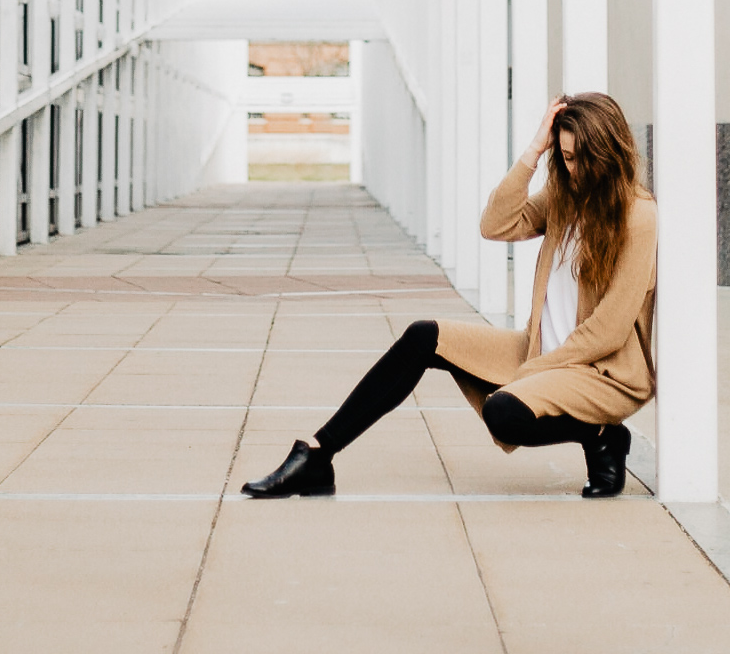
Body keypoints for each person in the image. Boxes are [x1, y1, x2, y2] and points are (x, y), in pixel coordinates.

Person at [242, 93, 657, 501]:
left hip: (600, 372)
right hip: (539, 352)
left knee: (503, 414)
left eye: (584, 158)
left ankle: (603, 433)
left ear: (610, 150)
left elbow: (609, 330)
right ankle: (319, 454)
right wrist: (534, 151)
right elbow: (496, 224)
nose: (576, 169)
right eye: (566, 158)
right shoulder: (565, 195)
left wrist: (532, 372)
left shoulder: (638, 216)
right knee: (424, 336)